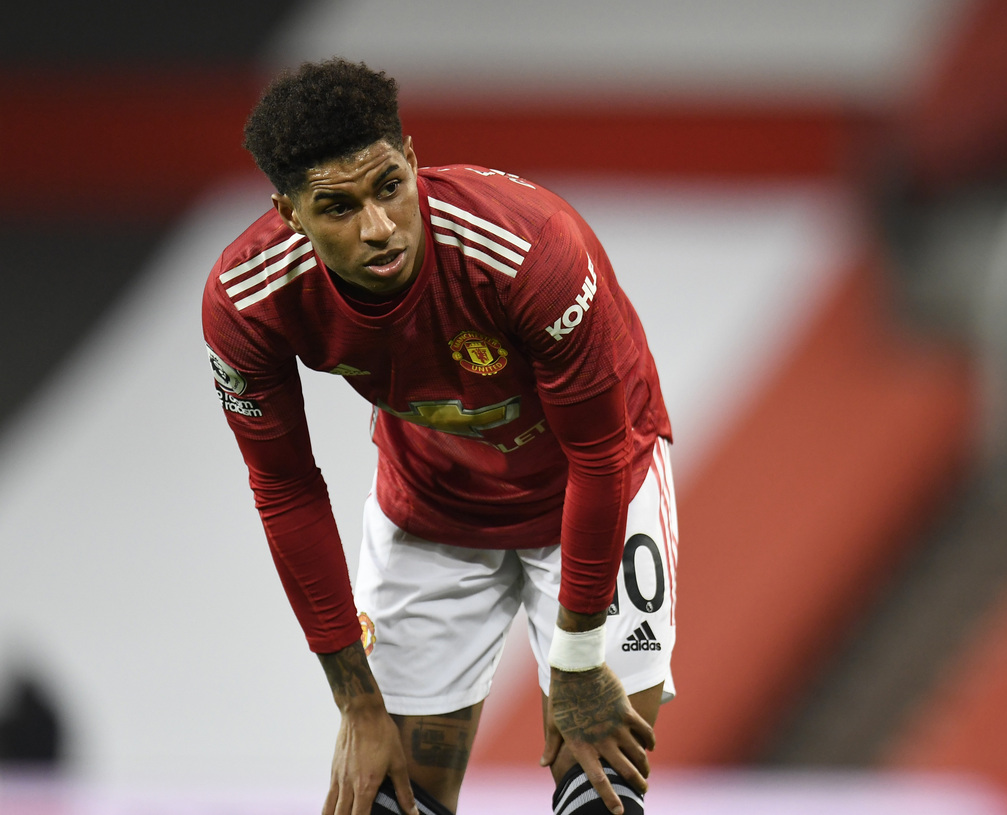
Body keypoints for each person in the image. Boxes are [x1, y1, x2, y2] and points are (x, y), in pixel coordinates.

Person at [201, 58, 678, 815]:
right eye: (337, 207)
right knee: (388, 802)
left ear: (413, 158)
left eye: (389, 187)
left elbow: (598, 453)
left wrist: (580, 659)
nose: (378, 227)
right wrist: (356, 703)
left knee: (602, 800)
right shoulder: (247, 301)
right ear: (288, 213)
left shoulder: (531, 250)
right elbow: (285, 488)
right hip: (432, 505)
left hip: (590, 493)